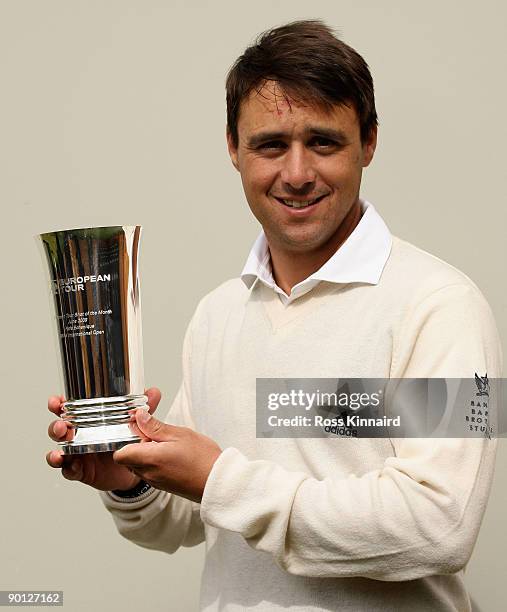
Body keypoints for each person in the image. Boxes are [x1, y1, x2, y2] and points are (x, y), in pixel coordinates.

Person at [46, 20, 502, 612]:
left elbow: (440, 526)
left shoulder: (440, 304)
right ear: (233, 149)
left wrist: (219, 480)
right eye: (270, 145)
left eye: (323, 142)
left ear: (368, 142)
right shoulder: (219, 315)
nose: (296, 173)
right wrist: (130, 482)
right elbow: (180, 523)